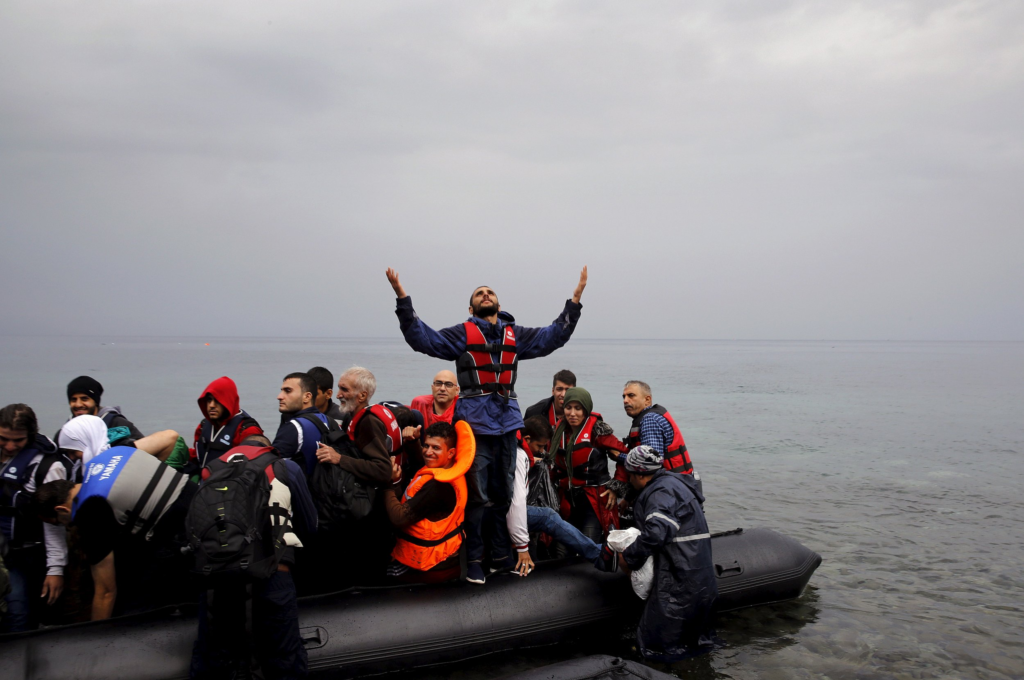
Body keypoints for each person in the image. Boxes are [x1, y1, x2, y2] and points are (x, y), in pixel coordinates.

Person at [385, 266, 588, 584]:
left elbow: (553, 337)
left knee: (503, 493)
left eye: (489, 291)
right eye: (479, 293)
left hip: (507, 422)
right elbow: (423, 339)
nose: (485, 295)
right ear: (471, 308)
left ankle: (500, 555)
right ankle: (476, 560)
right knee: (478, 497)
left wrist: (573, 303)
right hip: (475, 425)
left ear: (497, 302)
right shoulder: (462, 334)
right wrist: (402, 299)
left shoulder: (514, 334)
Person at [189, 436, 316, 680]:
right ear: (268, 448)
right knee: (284, 660)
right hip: (273, 575)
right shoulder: (285, 467)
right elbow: (310, 526)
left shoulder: (212, 470)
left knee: (213, 660)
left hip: (218, 579)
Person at [35, 447, 196, 619]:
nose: (66, 527)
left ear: (60, 509)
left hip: (185, 532)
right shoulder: (103, 458)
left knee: (134, 609)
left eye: (59, 523)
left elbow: (105, 592)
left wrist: (95, 639)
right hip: (202, 498)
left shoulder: (88, 512)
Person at [618, 446, 716, 661]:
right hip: (699, 571)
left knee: (657, 643)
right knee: (694, 641)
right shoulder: (675, 483)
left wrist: (629, 556)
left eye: (629, 475)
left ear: (639, 474)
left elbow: (657, 532)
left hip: (680, 572)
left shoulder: (661, 492)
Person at [308, 367, 398, 588]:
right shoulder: (359, 415)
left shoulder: (367, 423)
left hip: (374, 514)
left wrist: (339, 459)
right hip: (372, 509)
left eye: (343, 389)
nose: (337, 394)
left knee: (367, 574)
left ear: (362, 396)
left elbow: (382, 469)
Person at [506, 416, 617, 577]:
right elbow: (516, 504)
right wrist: (522, 547)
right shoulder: (520, 456)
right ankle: (599, 555)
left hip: (495, 509)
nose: (542, 451)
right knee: (547, 516)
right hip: (505, 511)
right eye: (540, 446)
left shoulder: (511, 448)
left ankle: (598, 551)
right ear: (527, 439)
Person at [0, 404, 74, 632]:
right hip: (1, 552)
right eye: (3, 439)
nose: (10, 446)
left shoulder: (47, 467)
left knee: (18, 612)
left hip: (29, 555)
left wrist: (55, 569)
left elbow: (54, 524)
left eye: (18, 441)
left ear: (30, 436)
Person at [383, 421, 474, 584]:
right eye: (426, 445)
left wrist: (387, 484)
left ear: (451, 453)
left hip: (431, 565)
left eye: (436, 448)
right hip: (444, 554)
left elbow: (398, 519)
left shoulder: (438, 488)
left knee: (382, 572)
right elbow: (422, 465)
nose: (428, 452)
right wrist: (413, 443)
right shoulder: (451, 470)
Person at [547, 387, 627, 544]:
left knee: (589, 544)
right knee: (561, 547)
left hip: (594, 499)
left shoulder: (598, 431)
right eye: (568, 408)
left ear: (586, 410)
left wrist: (615, 487)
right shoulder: (556, 432)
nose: (572, 413)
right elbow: (550, 464)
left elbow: (626, 458)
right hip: (566, 497)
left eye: (578, 408)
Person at [620, 381, 700, 494]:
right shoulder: (650, 416)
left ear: (647, 400)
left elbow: (651, 462)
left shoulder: (650, 420)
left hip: (671, 489)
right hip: (680, 484)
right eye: (624, 397)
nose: (625, 400)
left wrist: (619, 456)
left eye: (631, 395)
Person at [272, 372, 338, 478]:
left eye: (288, 391)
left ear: (307, 397)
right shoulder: (329, 421)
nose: (279, 397)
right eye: (281, 391)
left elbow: (272, 468)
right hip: (328, 490)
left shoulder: (294, 428)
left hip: (303, 492)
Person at [58, 414, 182, 470]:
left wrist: (153, 473)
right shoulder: (81, 467)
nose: (72, 458)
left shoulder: (119, 451)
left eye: (73, 452)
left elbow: (170, 436)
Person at [191, 376, 264, 471]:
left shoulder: (247, 430)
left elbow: (255, 467)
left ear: (228, 400)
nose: (211, 405)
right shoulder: (203, 426)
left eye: (217, 400)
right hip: (202, 479)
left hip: (229, 483)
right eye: (209, 400)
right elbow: (196, 456)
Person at [58, 376, 144, 447]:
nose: (78, 404)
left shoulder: (118, 424)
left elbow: (145, 448)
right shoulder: (64, 432)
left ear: (96, 401)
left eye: (84, 399)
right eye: (73, 400)